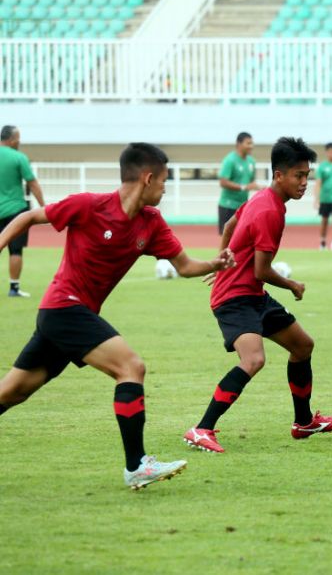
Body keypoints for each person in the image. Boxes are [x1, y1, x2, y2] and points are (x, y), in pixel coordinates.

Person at [0, 143, 235, 489]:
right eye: (164, 181)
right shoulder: (89, 206)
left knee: (13, 392)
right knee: (131, 367)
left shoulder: (151, 223)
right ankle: (137, 466)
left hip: (68, 318)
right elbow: (30, 216)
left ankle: (137, 466)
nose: (166, 189)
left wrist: (214, 263)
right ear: (148, 177)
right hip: (64, 308)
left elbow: (185, 266)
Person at [184, 137, 332, 454]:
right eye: (298, 176)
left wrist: (222, 259)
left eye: (307, 176)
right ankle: (201, 428)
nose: (304, 183)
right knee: (254, 359)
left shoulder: (261, 198)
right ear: (278, 175)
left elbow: (231, 223)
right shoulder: (270, 211)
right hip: (234, 297)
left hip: (252, 295)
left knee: (302, 345)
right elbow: (262, 270)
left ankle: (303, 422)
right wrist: (293, 285)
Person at [0, 125, 45, 298]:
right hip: (15, 211)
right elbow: (32, 183)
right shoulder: (19, 157)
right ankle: (14, 288)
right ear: (11, 140)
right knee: (15, 250)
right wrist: (43, 206)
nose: (19, 141)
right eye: (18, 138)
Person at [217, 132, 258, 236]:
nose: (251, 146)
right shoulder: (230, 160)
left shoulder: (251, 162)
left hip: (243, 206)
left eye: (252, 143)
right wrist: (244, 187)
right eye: (248, 143)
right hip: (227, 206)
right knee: (226, 240)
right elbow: (223, 182)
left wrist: (260, 188)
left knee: (242, 238)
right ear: (239, 144)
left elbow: (251, 182)